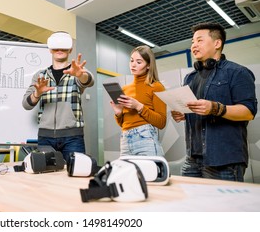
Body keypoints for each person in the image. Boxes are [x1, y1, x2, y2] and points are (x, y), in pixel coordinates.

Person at [171, 22, 257, 182]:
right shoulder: (190, 78)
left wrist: (215, 108)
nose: (194, 45)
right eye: (192, 42)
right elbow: (196, 110)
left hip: (224, 159)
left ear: (217, 43)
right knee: (193, 206)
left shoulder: (237, 72)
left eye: (199, 40)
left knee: (224, 207)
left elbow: (248, 112)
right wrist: (183, 113)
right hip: (192, 159)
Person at [22, 31, 94, 163]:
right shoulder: (40, 75)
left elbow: (89, 80)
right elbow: (26, 104)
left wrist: (79, 75)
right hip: (46, 137)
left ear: (70, 49)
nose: (60, 49)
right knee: (46, 178)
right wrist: (37, 93)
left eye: (64, 45)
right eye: (56, 45)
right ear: (50, 49)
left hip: (73, 137)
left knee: (76, 174)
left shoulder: (76, 71)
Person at [110, 45, 166, 157]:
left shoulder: (156, 86)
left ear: (149, 65)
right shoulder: (125, 89)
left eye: (139, 62)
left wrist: (139, 106)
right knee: (128, 174)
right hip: (125, 139)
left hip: (145, 138)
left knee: (149, 174)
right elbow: (124, 124)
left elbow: (161, 122)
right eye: (131, 61)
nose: (133, 64)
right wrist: (118, 113)